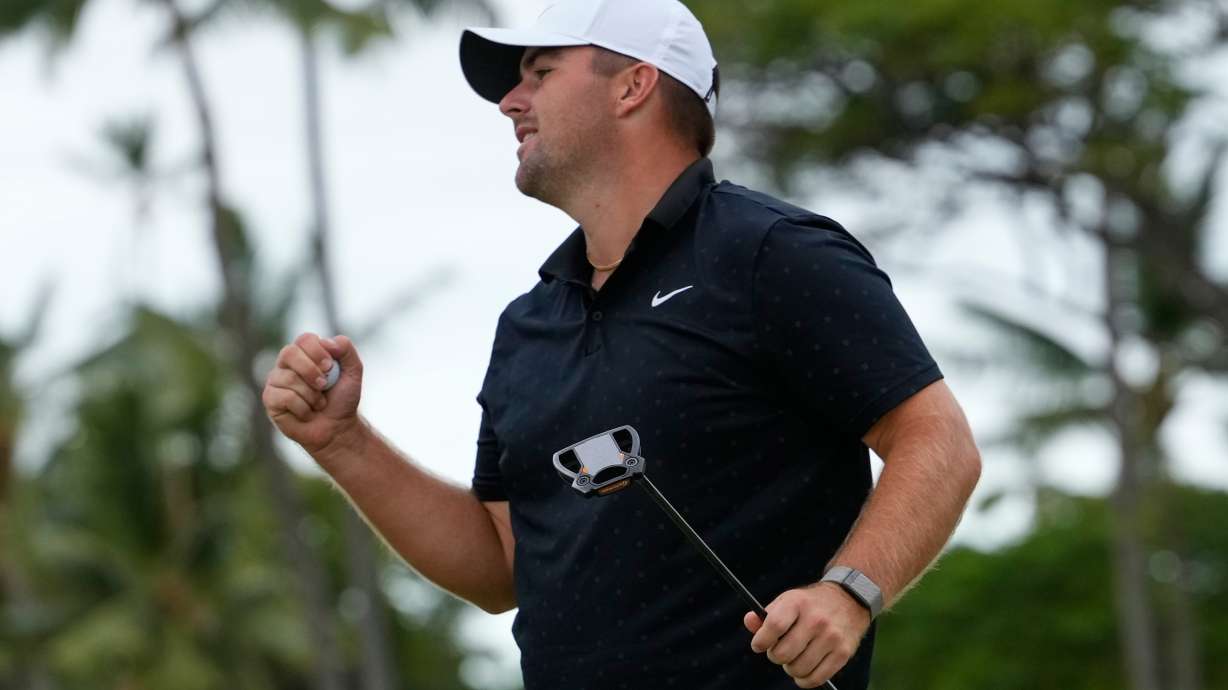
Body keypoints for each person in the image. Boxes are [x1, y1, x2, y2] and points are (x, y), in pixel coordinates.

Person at [261, 0, 982, 688]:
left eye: (541, 73)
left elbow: (938, 439)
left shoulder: (769, 254)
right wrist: (342, 442)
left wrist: (848, 593)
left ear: (634, 85)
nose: (511, 102)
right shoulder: (528, 325)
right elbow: (500, 568)